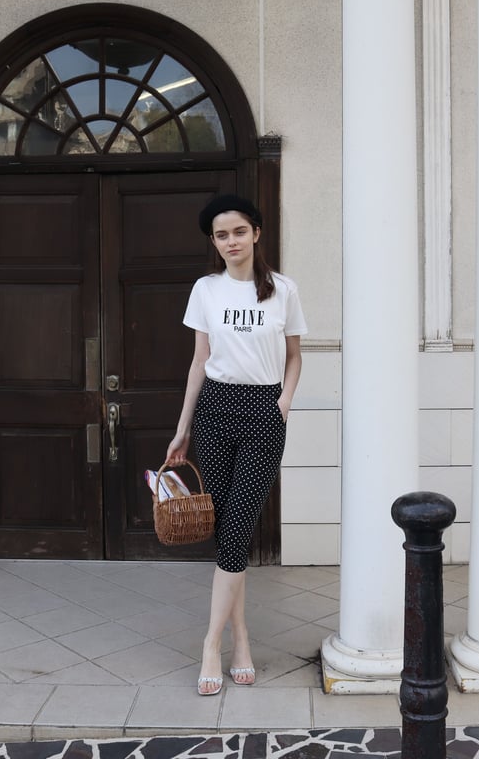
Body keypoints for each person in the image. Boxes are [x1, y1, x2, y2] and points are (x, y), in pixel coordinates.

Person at [165, 193, 307, 696]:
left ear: (256, 233)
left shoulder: (283, 290)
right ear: (215, 242)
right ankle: (241, 637)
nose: (231, 242)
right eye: (221, 235)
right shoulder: (206, 289)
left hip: (264, 411)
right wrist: (183, 429)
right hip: (216, 411)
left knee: (239, 526)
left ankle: (210, 644)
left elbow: (294, 355)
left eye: (239, 232)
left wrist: (283, 403)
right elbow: (199, 360)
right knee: (229, 534)